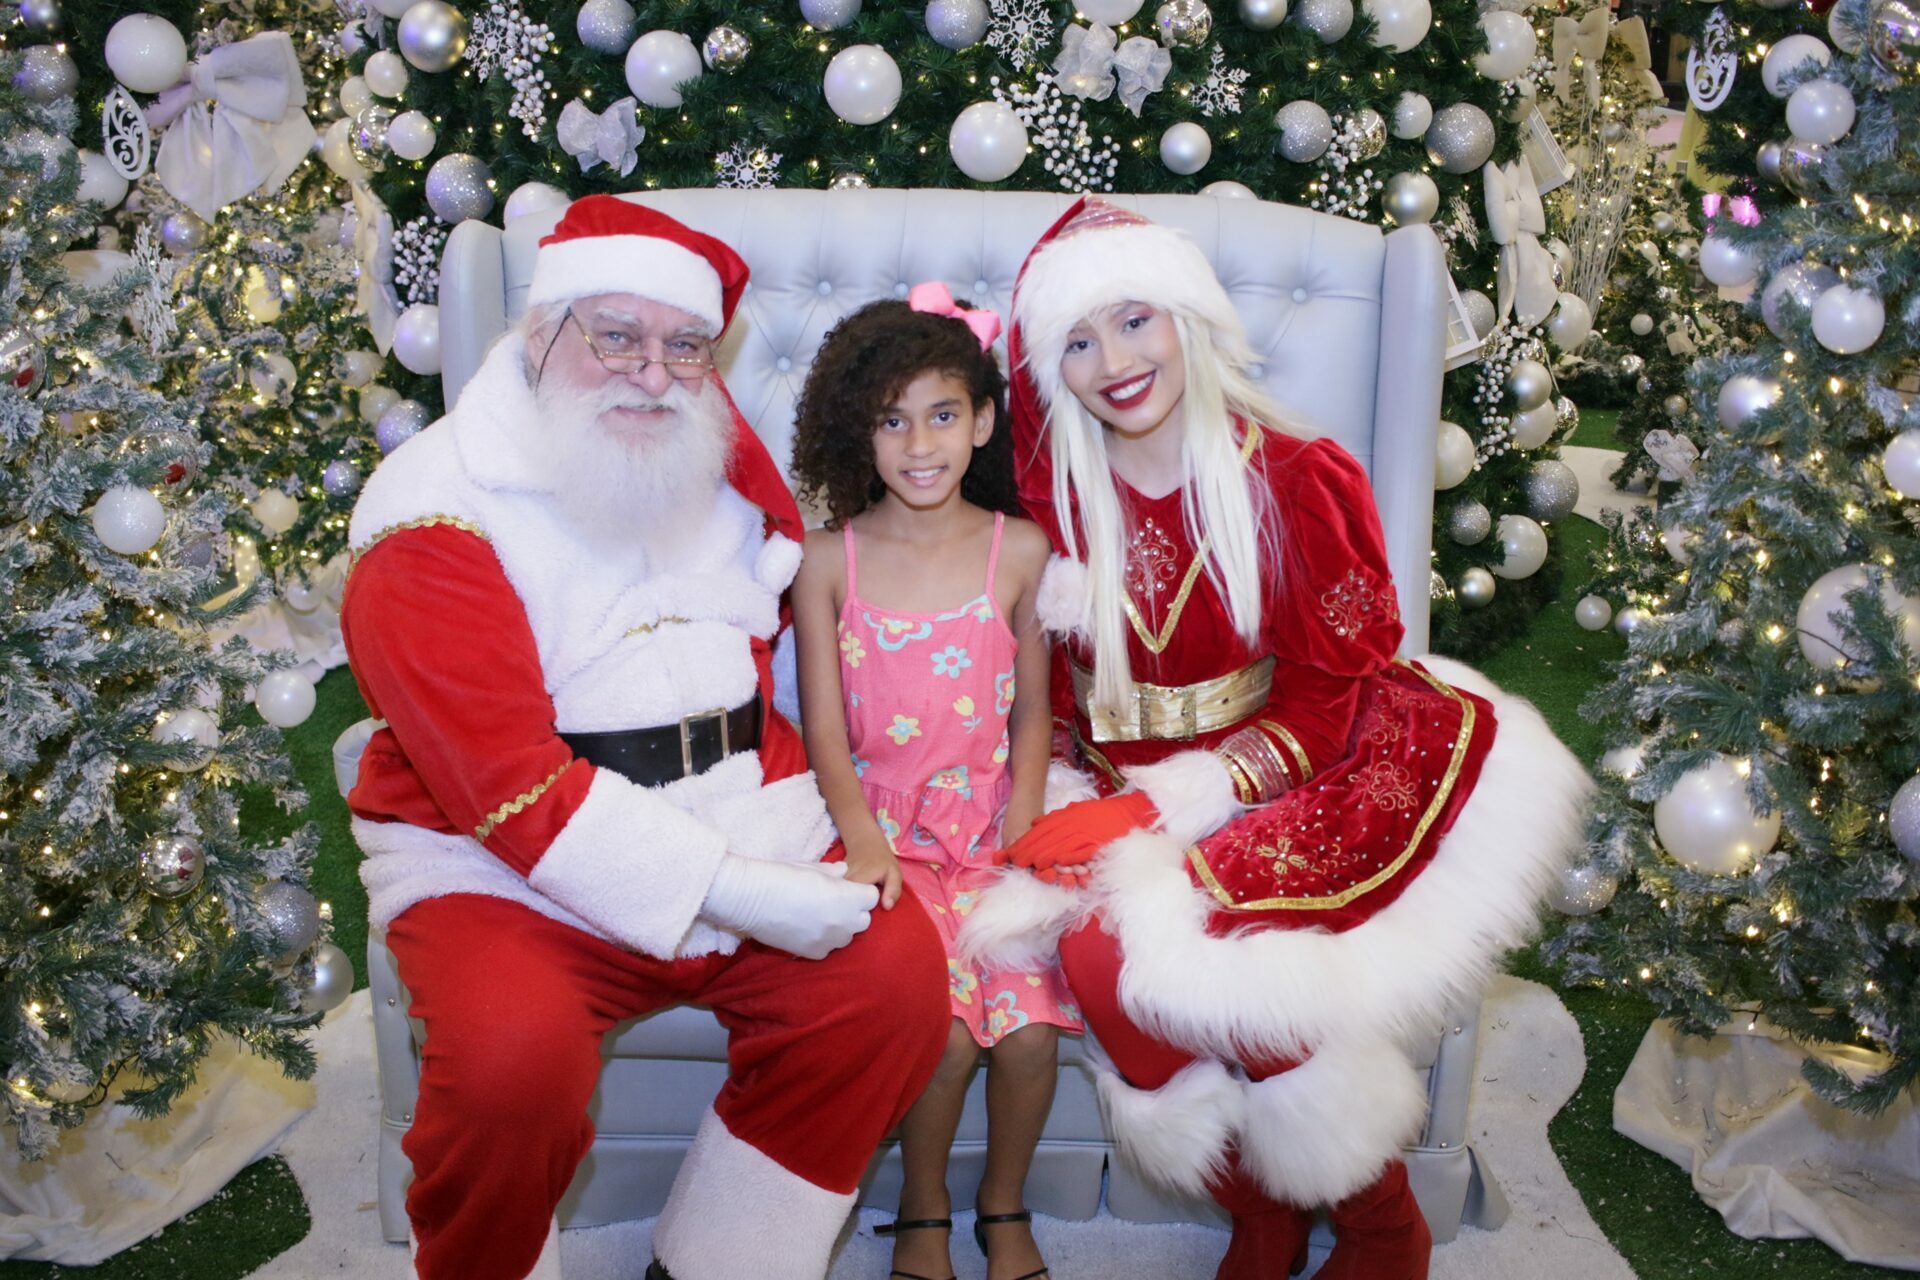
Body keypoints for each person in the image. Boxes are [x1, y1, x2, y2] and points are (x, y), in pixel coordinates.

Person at [959, 198, 1591, 1279]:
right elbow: (1039, 683)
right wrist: (1061, 788)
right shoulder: (1045, 495)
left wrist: (1162, 803)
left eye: (1135, 320)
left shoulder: (1299, 477)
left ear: (1187, 318)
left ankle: (1381, 1221)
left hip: (1286, 773)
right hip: (1105, 790)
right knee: (1098, 960)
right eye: (1079, 341)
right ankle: (1261, 1212)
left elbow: (1328, 702)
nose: (1116, 362)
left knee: (1225, 965)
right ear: (1048, 367)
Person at [338, 196, 949, 1280]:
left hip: (737, 804)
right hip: (501, 862)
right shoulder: (429, 511)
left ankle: (724, 1257)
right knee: (508, 1067)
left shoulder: (701, 451)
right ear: (541, 333)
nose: (654, 375)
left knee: (890, 983)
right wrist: (740, 892)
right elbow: (504, 783)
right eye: (617, 336)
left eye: (685, 346)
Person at [788, 286, 1075, 1280]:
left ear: (982, 421)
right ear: (856, 432)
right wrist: (864, 838)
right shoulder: (826, 560)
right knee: (944, 1036)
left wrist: (1026, 820)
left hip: (994, 830)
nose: (920, 443)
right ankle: (921, 1211)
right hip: (884, 838)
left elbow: (1033, 710)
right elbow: (824, 730)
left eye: (943, 414)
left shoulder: (1020, 550)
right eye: (892, 419)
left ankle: (1004, 1203)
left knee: (1029, 1035)